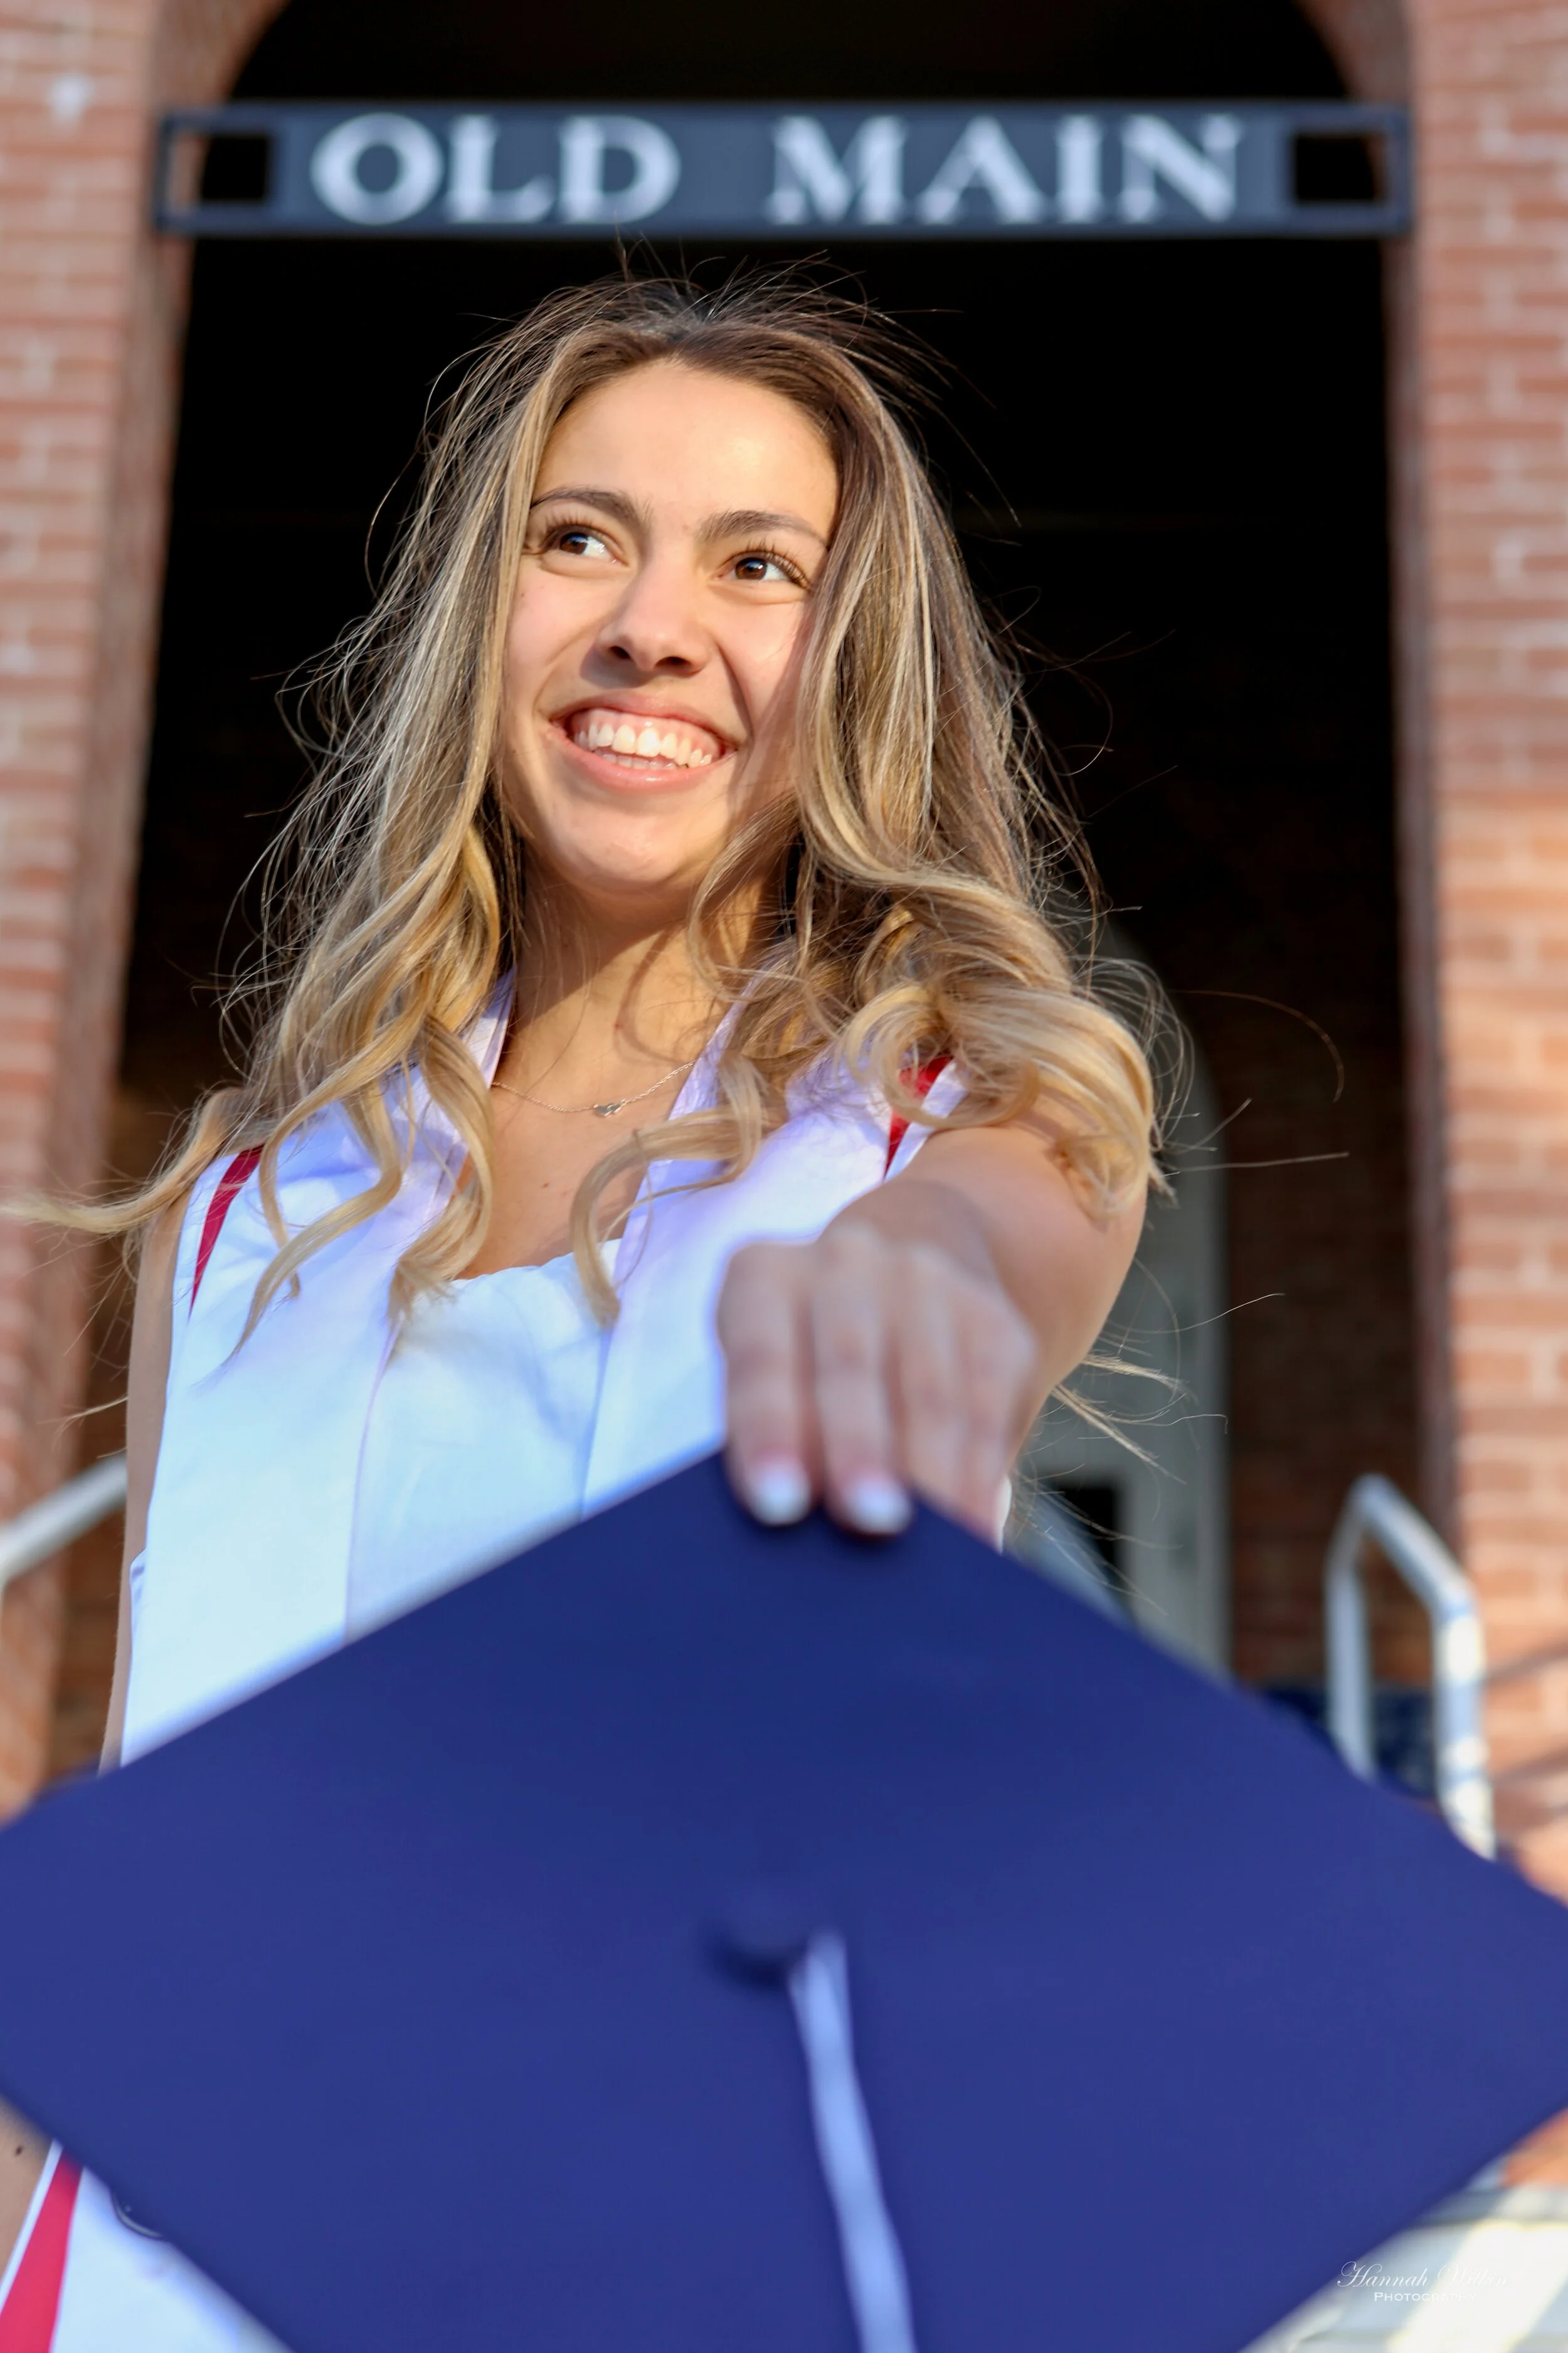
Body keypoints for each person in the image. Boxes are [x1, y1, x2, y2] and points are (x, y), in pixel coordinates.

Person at [0, 272, 1156, 2345]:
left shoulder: (962, 1128)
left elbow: (991, 1255)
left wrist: (914, 1276)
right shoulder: (250, 1206)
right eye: (579, 537)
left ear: (850, 656)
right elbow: (152, 1824)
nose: (650, 625)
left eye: (756, 566)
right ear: (488, 613)